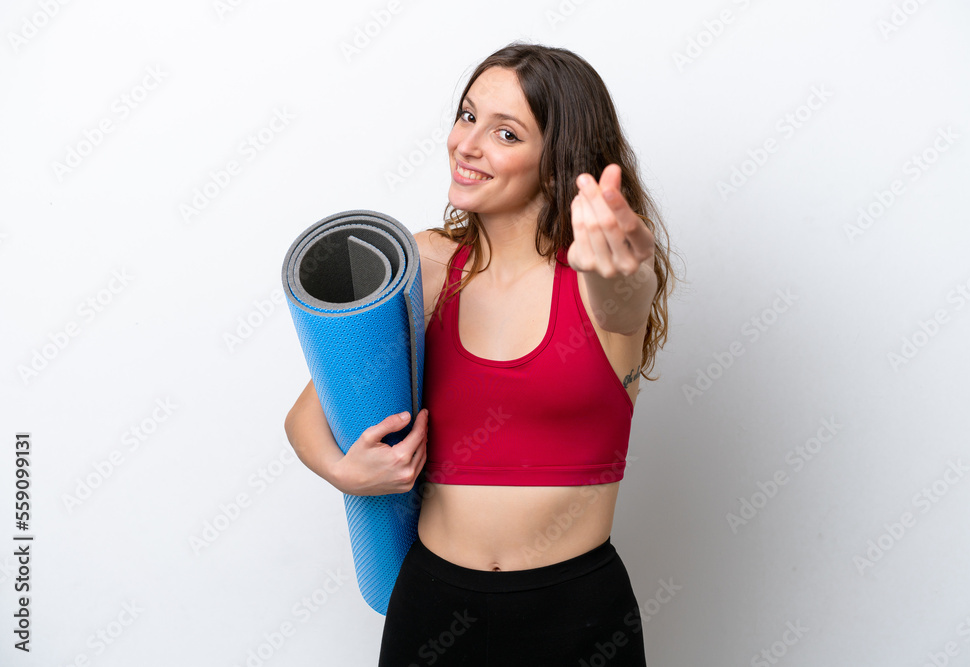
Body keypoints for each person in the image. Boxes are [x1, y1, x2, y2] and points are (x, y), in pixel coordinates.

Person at [285, 41, 679, 666]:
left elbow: (626, 299)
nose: (467, 144)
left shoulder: (597, 275)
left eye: (504, 132)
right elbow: (309, 413)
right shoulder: (430, 266)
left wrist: (629, 271)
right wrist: (346, 473)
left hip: (575, 612)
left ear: (558, 160)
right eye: (467, 116)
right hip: (435, 605)